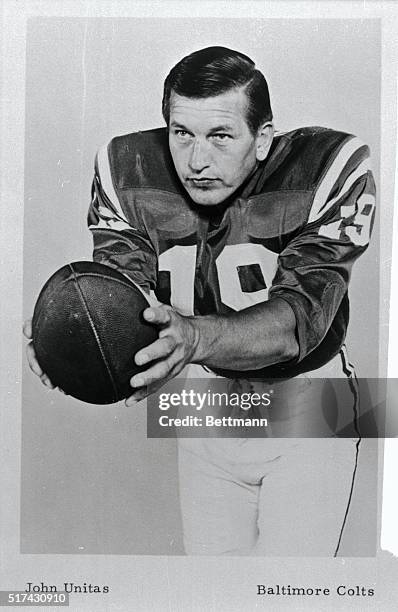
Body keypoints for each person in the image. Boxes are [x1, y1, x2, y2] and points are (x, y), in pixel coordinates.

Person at [24, 46, 376, 556]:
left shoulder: (327, 167)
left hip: (310, 408)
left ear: (263, 140)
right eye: (181, 133)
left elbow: (295, 322)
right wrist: (70, 332)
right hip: (208, 402)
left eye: (221, 136)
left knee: (291, 592)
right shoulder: (128, 169)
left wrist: (192, 337)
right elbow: (129, 301)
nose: (196, 160)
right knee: (216, 592)